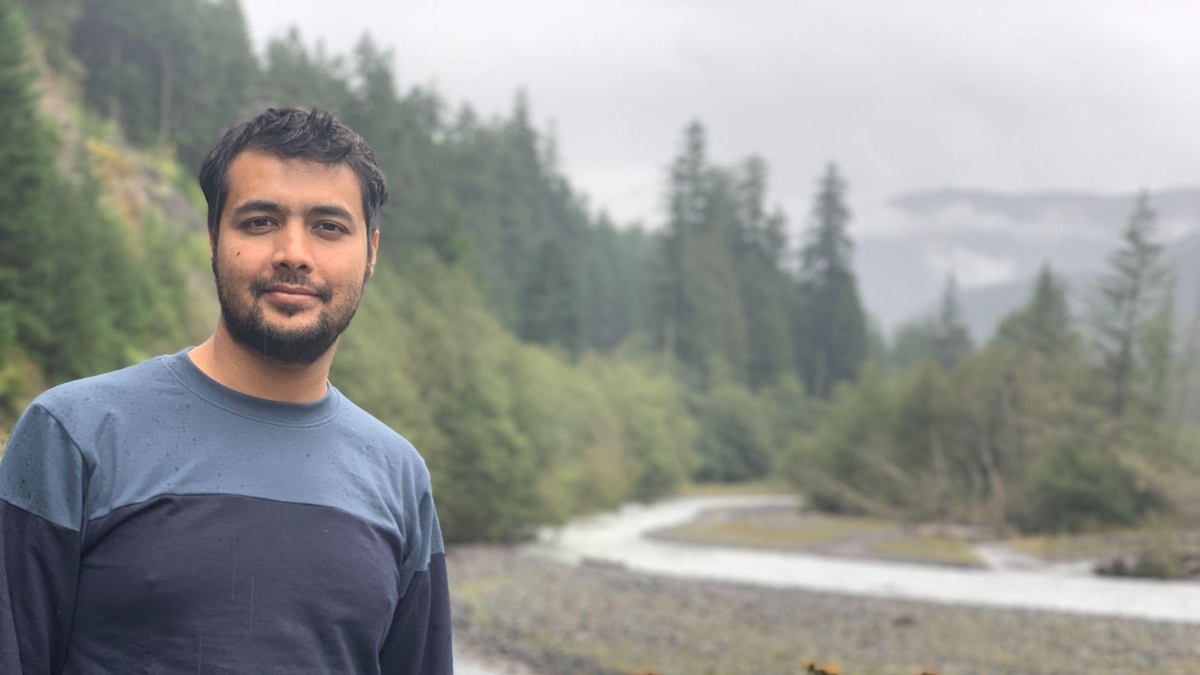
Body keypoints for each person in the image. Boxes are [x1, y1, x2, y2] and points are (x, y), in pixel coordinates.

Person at [0, 108, 452, 675]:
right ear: (213, 239)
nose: (294, 252)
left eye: (328, 227)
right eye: (260, 221)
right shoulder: (74, 435)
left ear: (372, 252)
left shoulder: (399, 478)